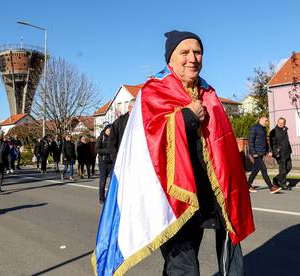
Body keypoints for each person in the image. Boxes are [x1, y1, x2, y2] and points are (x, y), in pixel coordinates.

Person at [93, 30, 255, 276]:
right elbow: (149, 140)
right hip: (174, 198)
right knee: (183, 267)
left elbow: (223, 144)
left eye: (198, 52)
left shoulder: (208, 93)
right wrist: (187, 117)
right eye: (185, 52)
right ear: (170, 59)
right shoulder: (153, 91)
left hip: (212, 195)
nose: (192, 58)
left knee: (231, 260)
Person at [247, 117, 282, 194]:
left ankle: (247, 186)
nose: (267, 122)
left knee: (255, 171)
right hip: (256, 153)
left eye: (267, 121)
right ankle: (271, 187)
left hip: (261, 152)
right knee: (264, 169)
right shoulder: (254, 128)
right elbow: (251, 141)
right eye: (266, 121)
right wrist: (254, 153)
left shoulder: (263, 129)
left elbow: (265, 142)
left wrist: (268, 150)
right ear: (261, 120)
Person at [108, 98, 135, 163]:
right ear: (129, 108)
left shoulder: (141, 122)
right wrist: (116, 159)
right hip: (122, 160)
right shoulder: (119, 122)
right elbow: (112, 143)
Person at [270, 117, 292, 190]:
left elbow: (286, 141)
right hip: (280, 153)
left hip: (287, 152)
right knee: (283, 170)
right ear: (277, 122)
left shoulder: (285, 129)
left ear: (285, 123)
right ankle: (283, 184)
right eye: (279, 122)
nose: (281, 124)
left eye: (282, 123)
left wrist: (290, 149)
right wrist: (276, 153)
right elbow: (272, 144)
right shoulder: (274, 131)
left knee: (289, 167)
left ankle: (276, 179)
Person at [95, 124, 113, 204]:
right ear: (105, 130)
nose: (110, 131)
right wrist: (108, 151)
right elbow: (97, 149)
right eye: (109, 130)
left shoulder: (114, 138)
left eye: (111, 130)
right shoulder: (101, 138)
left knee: (114, 181)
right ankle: (101, 198)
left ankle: (112, 197)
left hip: (112, 162)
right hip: (103, 163)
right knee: (103, 181)